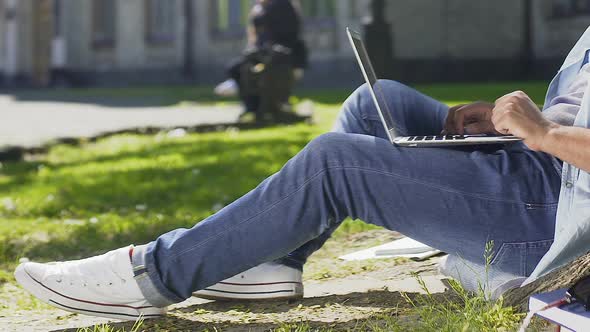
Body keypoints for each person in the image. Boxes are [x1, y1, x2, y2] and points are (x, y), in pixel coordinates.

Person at [14, 27, 590, 320]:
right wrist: (495, 124)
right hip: (537, 163)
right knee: (375, 101)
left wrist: (543, 135)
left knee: (333, 163)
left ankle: (153, 275)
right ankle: (274, 264)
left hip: (554, 214)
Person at [214, 0, 307, 119]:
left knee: (263, 71)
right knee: (237, 69)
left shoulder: (282, 4)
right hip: (262, 52)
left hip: (281, 54)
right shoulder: (259, 7)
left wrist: (269, 47)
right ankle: (253, 105)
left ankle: (264, 105)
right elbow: (255, 35)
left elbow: (288, 33)